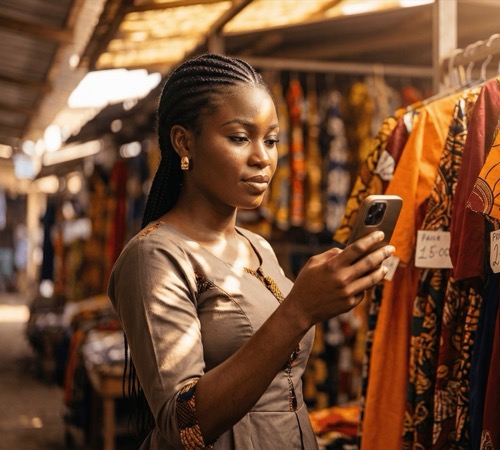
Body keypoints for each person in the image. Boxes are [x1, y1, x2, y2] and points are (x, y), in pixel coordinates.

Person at [107, 53, 393, 449]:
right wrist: (300, 309)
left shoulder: (257, 247)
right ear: (184, 141)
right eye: (240, 138)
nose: (262, 157)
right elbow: (182, 425)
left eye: (271, 140)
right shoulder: (155, 256)